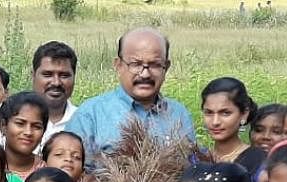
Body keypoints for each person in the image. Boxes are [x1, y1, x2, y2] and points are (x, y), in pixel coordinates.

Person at [66, 27, 194, 167]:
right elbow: (69, 174)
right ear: (118, 65)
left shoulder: (179, 114)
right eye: (136, 64)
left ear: (166, 67)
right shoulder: (90, 115)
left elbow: (191, 170)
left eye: (155, 65)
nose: (145, 74)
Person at [200, 78, 265, 178]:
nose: (215, 122)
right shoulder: (197, 159)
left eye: (225, 113)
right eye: (209, 113)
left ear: (244, 114)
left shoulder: (259, 162)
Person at [0, 91, 50, 182]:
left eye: (36, 126)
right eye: (20, 123)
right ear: (3, 126)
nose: (28, 132)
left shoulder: (47, 172)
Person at [31, 41, 79, 148]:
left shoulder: (83, 121)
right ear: (33, 76)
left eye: (64, 75)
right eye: (47, 75)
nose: (56, 82)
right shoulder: (14, 119)